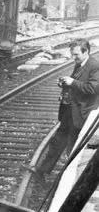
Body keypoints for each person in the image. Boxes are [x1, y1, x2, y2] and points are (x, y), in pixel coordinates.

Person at [31, 39, 98, 176]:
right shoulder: (80, 63)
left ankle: (69, 177)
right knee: (58, 140)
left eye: (76, 55)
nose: (73, 58)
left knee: (72, 146)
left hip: (80, 113)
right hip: (70, 110)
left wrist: (72, 81)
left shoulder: (95, 65)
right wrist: (64, 84)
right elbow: (77, 84)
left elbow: (92, 89)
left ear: (86, 52)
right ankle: (42, 171)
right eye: (72, 54)